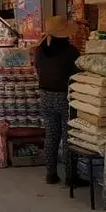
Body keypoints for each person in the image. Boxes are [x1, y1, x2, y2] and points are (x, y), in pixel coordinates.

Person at [34, 16, 81, 185]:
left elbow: (38, 69)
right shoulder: (71, 52)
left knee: (52, 135)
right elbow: (78, 73)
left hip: (45, 95)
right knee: (69, 136)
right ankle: (71, 176)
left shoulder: (40, 50)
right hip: (65, 96)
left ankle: (51, 173)